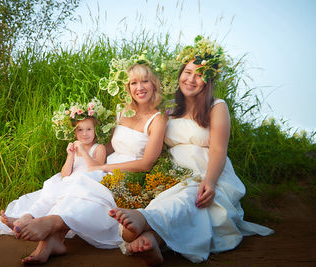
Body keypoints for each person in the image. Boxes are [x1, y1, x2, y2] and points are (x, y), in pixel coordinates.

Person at [109, 36, 274, 265]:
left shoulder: (217, 106)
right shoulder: (169, 109)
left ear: (208, 81)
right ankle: (153, 239)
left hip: (207, 171)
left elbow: (218, 149)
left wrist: (211, 182)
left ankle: (143, 220)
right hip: (175, 173)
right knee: (172, 202)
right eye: (187, 72)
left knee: (191, 199)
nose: (191, 79)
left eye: (199, 75)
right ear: (180, 75)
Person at [0, 63, 167, 264]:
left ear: (154, 84)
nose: (139, 87)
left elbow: (146, 164)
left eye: (145, 81)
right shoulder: (122, 112)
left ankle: (51, 228)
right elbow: (109, 148)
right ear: (127, 87)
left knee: (89, 185)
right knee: (75, 180)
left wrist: (102, 168)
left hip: (130, 173)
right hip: (106, 167)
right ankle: (52, 240)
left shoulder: (158, 119)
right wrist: (83, 149)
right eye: (134, 82)